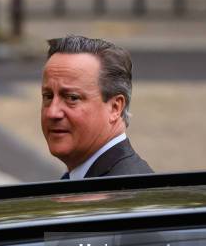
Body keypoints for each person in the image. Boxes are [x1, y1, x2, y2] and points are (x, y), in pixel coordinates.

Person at [41, 35, 153, 179]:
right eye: (48, 96)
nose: (52, 112)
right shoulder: (93, 181)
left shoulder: (122, 193)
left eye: (72, 98)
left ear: (115, 108)